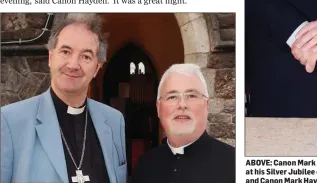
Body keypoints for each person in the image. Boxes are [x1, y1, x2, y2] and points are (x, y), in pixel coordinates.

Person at [1, 13, 127, 183]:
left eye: (86, 56)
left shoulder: (114, 121)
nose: (73, 65)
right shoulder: (9, 121)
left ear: (97, 68)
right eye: (66, 51)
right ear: (51, 57)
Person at [131, 64, 235, 183]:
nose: (182, 104)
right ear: (158, 108)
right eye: (172, 97)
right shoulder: (145, 166)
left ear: (206, 105)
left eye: (191, 96)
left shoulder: (235, 164)